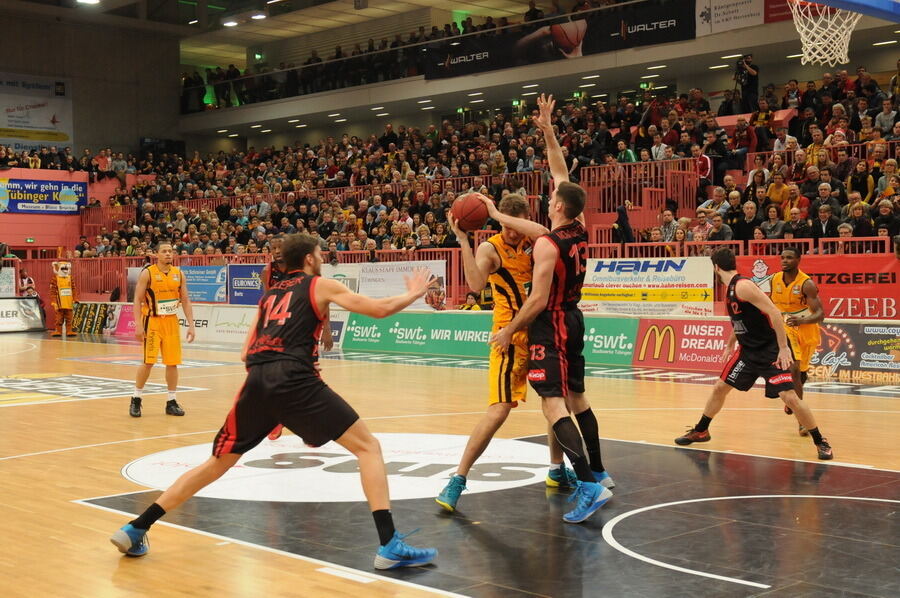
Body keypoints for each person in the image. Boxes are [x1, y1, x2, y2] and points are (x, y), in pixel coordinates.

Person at [111, 234, 438, 570]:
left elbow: (245, 353)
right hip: (295, 380)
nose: (322, 258)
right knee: (368, 448)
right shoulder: (320, 285)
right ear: (309, 259)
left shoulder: (269, 296)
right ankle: (389, 544)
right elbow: (379, 309)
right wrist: (414, 293)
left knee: (216, 464)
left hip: (257, 382)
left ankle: (137, 527)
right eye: (319, 253)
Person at [490, 94, 614, 524]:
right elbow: (560, 172)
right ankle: (599, 469)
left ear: (559, 206)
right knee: (578, 397)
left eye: (551, 198)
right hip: (576, 318)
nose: (547, 199)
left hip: (554, 323)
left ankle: (588, 484)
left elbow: (538, 300)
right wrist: (548, 131)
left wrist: (509, 330)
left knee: (552, 404)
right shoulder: (580, 225)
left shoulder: (546, 244)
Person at [437, 194, 574, 513]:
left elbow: (544, 231)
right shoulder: (491, 248)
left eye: (515, 225)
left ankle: (556, 469)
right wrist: (463, 240)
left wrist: (501, 215)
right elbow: (475, 283)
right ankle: (458, 478)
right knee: (499, 410)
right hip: (506, 335)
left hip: (539, 331)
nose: (511, 232)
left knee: (556, 401)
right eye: (506, 227)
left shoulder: (534, 240)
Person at [674, 248, 833, 460]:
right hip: (747, 352)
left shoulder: (743, 286)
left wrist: (783, 348)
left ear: (716, 267)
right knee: (720, 387)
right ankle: (701, 430)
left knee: (790, 397)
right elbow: (741, 321)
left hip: (769, 351)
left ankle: (820, 441)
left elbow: (774, 312)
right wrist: (730, 344)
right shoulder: (731, 288)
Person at [130, 242, 194, 417]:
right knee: (148, 362)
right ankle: (136, 398)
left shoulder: (178, 274)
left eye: (170, 251)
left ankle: (171, 401)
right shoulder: (148, 273)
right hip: (152, 322)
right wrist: (137, 324)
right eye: (164, 251)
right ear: (156, 254)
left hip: (171, 322)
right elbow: (137, 299)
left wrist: (191, 324)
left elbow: (185, 300)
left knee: (172, 363)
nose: (168, 254)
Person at [768, 248, 824, 436]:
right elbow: (769, 303)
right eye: (782, 257)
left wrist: (802, 320)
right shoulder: (774, 279)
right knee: (794, 369)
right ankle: (802, 420)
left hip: (806, 328)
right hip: (786, 327)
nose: (784, 261)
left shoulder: (807, 284)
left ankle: (793, 400)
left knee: (802, 373)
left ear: (798, 260)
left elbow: (820, 314)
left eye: (789, 258)